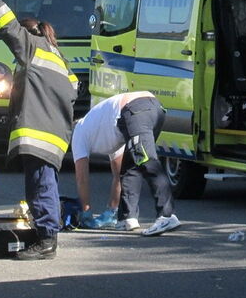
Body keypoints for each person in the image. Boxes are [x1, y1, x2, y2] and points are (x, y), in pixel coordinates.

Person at [0, 0, 77, 260]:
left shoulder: (33, 47)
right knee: (41, 184)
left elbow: (10, 30)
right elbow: (72, 90)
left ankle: (47, 240)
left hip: (39, 133)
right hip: (53, 132)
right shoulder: (58, 57)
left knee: (41, 185)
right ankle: (43, 233)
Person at [72, 92, 181, 236]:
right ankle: (127, 218)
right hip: (153, 109)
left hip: (135, 109)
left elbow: (82, 179)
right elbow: (118, 175)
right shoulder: (101, 130)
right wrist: (112, 210)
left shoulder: (79, 132)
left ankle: (167, 215)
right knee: (131, 167)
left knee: (147, 160)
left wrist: (85, 212)